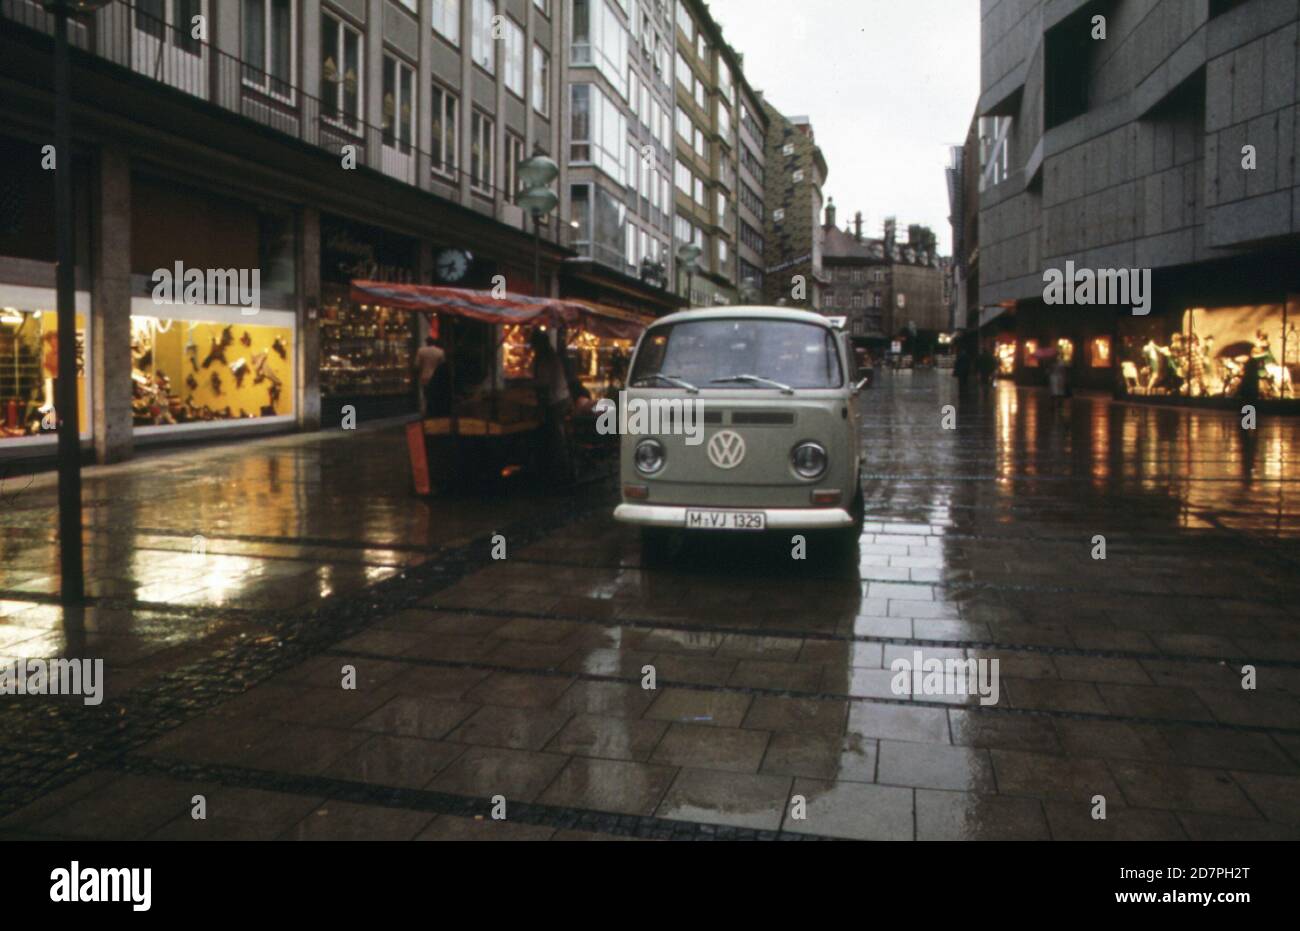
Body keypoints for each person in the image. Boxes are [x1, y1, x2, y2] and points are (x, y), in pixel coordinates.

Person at [531, 328, 574, 483]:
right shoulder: (550, 356)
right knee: (557, 434)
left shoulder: (545, 359)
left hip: (556, 401)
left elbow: (543, 385)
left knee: (556, 435)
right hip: (562, 398)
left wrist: (540, 407)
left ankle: (561, 471)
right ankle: (560, 468)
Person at [415, 335, 449, 417]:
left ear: (426, 342)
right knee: (436, 394)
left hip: (425, 376)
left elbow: (416, 365)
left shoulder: (421, 351)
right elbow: (443, 365)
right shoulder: (440, 352)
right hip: (436, 377)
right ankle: (435, 411)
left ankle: (427, 411)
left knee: (426, 394)